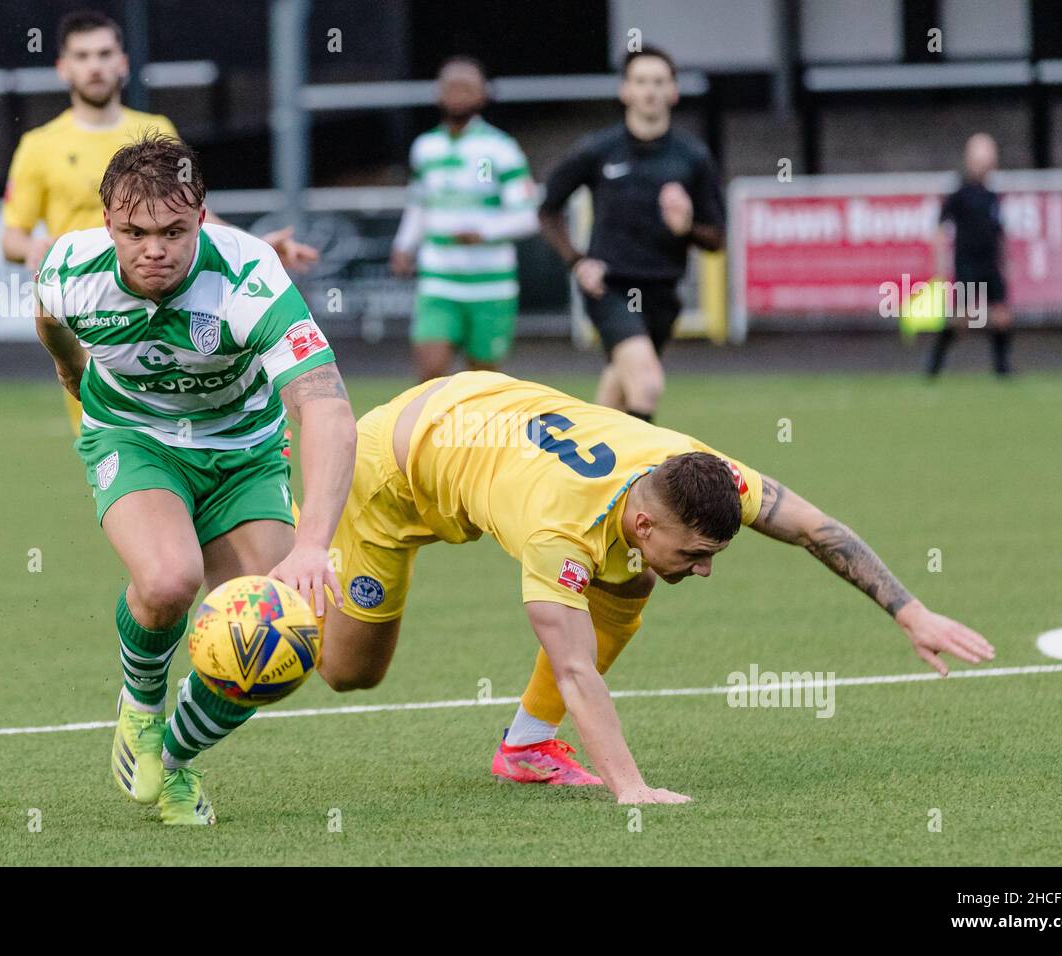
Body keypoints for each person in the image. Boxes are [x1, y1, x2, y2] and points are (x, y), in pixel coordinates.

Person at [314, 371, 994, 803]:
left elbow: (817, 529)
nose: (705, 570)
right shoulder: (562, 531)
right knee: (352, 673)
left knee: (630, 581)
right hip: (393, 472)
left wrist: (910, 610)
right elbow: (576, 669)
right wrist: (631, 788)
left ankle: (524, 747)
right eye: (697, 553)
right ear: (645, 520)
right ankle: (288, 562)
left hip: (478, 417)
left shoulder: (697, 473)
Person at [34, 133, 356, 825]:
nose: (155, 249)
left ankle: (169, 759)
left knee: (280, 638)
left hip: (244, 452)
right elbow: (48, 319)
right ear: (107, 225)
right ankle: (142, 705)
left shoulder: (249, 278)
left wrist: (313, 544)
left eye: (174, 231)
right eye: (135, 232)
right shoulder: (70, 267)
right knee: (167, 583)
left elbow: (325, 405)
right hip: (135, 436)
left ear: (202, 219)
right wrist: (69, 369)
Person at [5, 9, 317, 431]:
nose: (94, 65)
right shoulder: (39, 146)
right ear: (63, 68)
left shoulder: (155, 129)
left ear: (123, 63)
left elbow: (186, 215)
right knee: (114, 450)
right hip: (96, 318)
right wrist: (34, 248)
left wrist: (256, 246)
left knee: (188, 434)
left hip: (169, 307)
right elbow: (11, 237)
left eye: (103, 53)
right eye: (81, 56)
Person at [539, 46, 725, 423]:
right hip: (609, 287)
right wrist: (576, 261)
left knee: (617, 393)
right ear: (625, 90)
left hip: (662, 294)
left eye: (659, 82)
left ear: (673, 91)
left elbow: (716, 239)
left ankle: (581, 468)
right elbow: (548, 208)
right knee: (647, 383)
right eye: (641, 82)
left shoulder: (693, 157)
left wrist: (685, 227)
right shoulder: (598, 149)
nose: (650, 91)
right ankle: (645, 481)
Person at [390, 56, 539, 381]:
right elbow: (419, 205)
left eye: (467, 88)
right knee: (430, 374)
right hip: (439, 278)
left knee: (482, 381)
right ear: (437, 94)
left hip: (491, 283)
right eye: (451, 87)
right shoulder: (425, 147)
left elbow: (529, 216)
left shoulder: (501, 149)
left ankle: (472, 433)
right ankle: (427, 434)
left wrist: (484, 232)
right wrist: (404, 245)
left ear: (483, 95)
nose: (458, 95)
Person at [926, 133, 1013, 377]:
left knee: (1001, 317)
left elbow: (999, 232)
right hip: (967, 264)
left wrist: (1006, 262)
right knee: (962, 320)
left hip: (990, 264)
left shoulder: (991, 196)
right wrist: (940, 266)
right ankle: (934, 364)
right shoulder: (959, 194)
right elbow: (940, 230)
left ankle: (1002, 368)